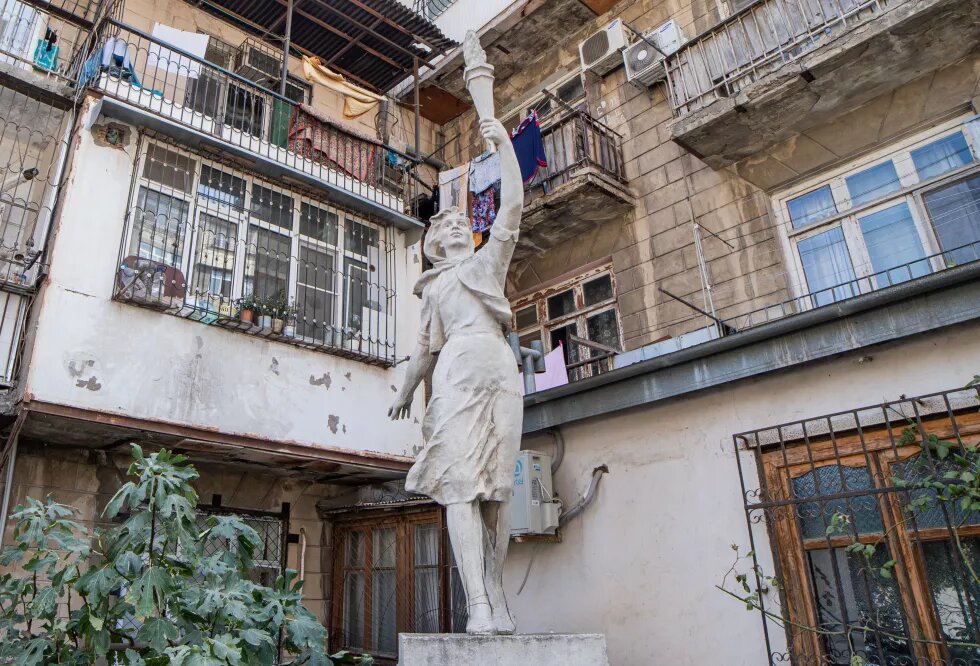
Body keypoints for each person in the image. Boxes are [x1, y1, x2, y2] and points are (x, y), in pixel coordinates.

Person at [388, 117, 522, 635]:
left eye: (461, 223)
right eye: (447, 227)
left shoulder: (488, 265)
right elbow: (423, 348)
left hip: (498, 370)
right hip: (456, 375)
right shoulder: (437, 288)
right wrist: (403, 390)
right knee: (461, 486)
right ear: (435, 244)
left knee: (499, 492)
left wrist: (503, 144)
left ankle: (497, 592)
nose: (459, 227)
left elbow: (512, 207)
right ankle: (478, 605)